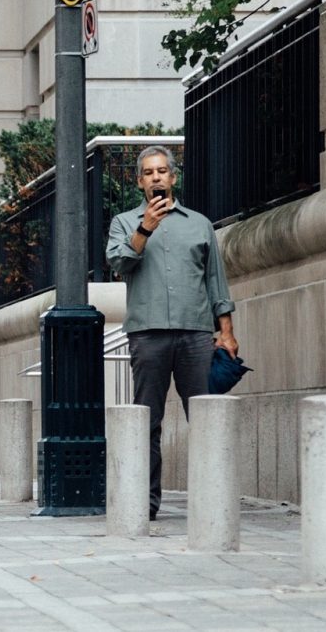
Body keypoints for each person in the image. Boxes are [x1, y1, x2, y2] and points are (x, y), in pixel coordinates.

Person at [105, 145, 236, 521]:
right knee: (148, 419)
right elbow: (118, 263)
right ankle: (146, 502)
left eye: (162, 171)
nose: (156, 177)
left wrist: (225, 331)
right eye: (148, 172)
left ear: (173, 177)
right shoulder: (124, 222)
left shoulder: (199, 224)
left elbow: (216, 281)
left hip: (195, 332)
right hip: (147, 334)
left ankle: (214, 497)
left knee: (206, 417)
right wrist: (145, 227)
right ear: (139, 181)